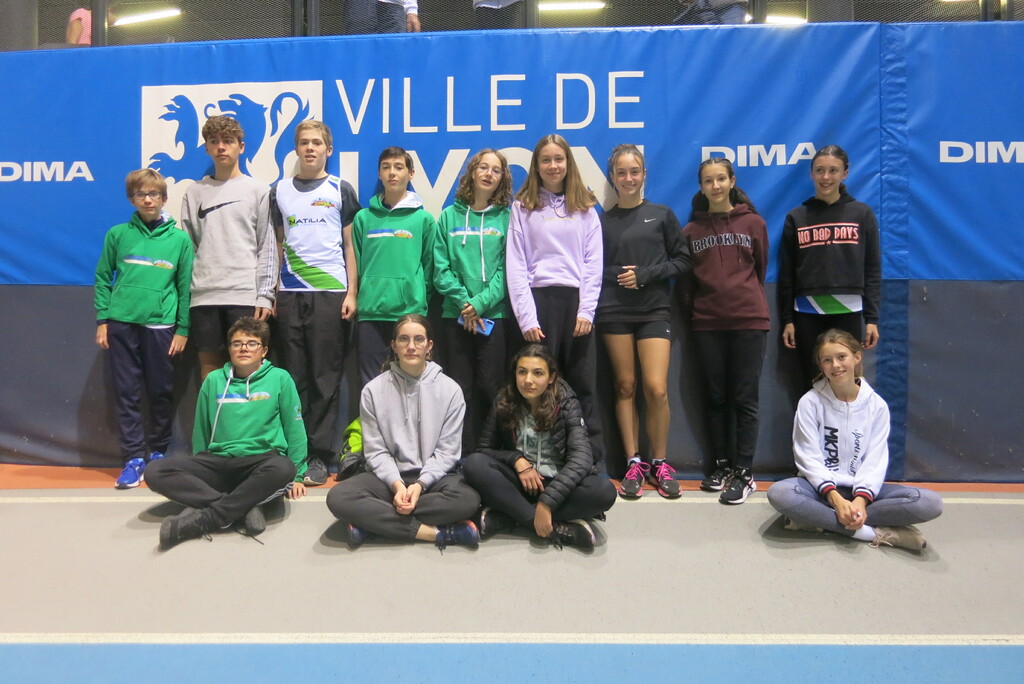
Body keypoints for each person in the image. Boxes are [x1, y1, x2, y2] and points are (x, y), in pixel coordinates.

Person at [767, 329, 943, 550]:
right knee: (781, 493)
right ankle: (872, 533)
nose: (836, 365)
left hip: (861, 491)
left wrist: (860, 500)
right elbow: (807, 456)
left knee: (929, 503)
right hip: (818, 491)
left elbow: (875, 460)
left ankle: (816, 519)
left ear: (857, 357)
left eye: (842, 357)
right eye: (827, 360)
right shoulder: (810, 402)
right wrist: (835, 499)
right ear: (821, 365)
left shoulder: (876, 406)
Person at [147, 317, 309, 549]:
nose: (243, 348)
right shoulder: (213, 380)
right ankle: (242, 507)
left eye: (252, 343)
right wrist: (201, 463)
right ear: (230, 349)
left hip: (260, 463)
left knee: (284, 469)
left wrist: (299, 475)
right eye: (237, 343)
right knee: (155, 471)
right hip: (217, 462)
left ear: (264, 351)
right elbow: (201, 429)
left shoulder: (280, 378)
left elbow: (294, 427)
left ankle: (205, 520)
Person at [326, 315, 481, 549]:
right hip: (387, 479)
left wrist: (419, 486)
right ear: (394, 345)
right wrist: (397, 486)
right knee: (339, 498)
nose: (411, 346)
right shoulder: (373, 391)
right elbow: (376, 451)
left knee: (468, 500)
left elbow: (447, 452)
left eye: (419, 339)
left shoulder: (451, 391)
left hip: (433, 480)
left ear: (429, 346)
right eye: (403, 339)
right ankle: (436, 533)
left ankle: (372, 523)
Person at [597, 144, 691, 500]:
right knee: (625, 386)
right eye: (621, 172)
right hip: (614, 311)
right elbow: (591, 266)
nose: (628, 178)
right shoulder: (602, 221)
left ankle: (660, 463)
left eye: (634, 171)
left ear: (644, 174)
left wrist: (646, 275)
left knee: (656, 388)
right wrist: (619, 275)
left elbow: (683, 261)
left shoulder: (661, 215)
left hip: (654, 311)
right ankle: (633, 463)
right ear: (613, 177)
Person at [271, 121, 361, 488]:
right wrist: (272, 292)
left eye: (317, 143)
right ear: (296, 149)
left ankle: (319, 456)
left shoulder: (340, 189)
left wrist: (352, 292)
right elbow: (278, 246)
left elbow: (350, 246)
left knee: (325, 378)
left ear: (328, 150)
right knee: (294, 377)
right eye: (304, 143)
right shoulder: (279, 191)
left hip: (330, 293)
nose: (310, 148)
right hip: (290, 294)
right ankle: (295, 453)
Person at [506, 134, 604, 466]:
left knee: (582, 384)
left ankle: (586, 460)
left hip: (576, 305)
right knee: (535, 385)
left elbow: (593, 262)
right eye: (545, 160)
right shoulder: (522, 206)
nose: (552, 166)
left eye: (558, 159)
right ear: (536, 166)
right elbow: (516, 264)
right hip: (537, 304)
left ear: (568, 163)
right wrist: (527, 318)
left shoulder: (585, 207)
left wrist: (586, 310)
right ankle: (536, 460)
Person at [94, 168, 194, 489]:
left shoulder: (179, 240)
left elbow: (185, 287)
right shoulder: (117, 234)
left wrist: (183, 329)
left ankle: (158, 453)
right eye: (141, 194)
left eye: (153, 194)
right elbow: (102, 278)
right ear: (131, 199)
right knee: (127, 392)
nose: (148, 199)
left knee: (161, 391)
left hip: (161, 326)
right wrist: (103, 320)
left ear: (164, 198)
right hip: (122, 325)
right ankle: (134, 459)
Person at [462, 344, 616, 549]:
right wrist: (517, 460)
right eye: (522, 372)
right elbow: (484, 450)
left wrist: (547, 502)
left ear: (551, 377)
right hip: (520, 482)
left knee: (604, 491)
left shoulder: (567, 403)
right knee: (474, 464)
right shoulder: (504, 399)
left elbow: (582, 459)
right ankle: (550, 527)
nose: (528, 380)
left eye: (538, 373)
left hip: (557, 485)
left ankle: (510, 517)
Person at [682, 158, 769, 505]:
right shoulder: (691, 231)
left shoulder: (753, 223)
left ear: (732, 181)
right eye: (708, 181)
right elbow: (688, 283)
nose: (715, 186)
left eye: (721, 179)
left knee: (745, 400)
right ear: (701, 187)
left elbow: (760, 269)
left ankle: (744, 472)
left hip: (749, 321)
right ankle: (720, 467)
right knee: (715, 399)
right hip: (707, 323)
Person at [180, 115, 276, 381]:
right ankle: (214, 412)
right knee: (209, 370)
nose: (221, 147)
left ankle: (247, 412)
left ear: (240, 147)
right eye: (214, 141)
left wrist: (265, 295)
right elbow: (189, 247)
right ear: (207, 148)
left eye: (228, 141)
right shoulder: (194, 192)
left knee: (248, 370)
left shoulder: (259, 190)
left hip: (244, 295)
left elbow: (267, 246)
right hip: (204, 297)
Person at [779, 144, 882, 387]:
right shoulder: (796, 217)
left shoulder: (862, 214)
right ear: (811, 174)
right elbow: (787, 273)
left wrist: (872, 318)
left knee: (847, 380)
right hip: (807, 311)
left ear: (845, 173)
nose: (826, 177)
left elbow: (872, 268)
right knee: (811, 381)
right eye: (820, 170)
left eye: (833, 170)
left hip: (849, 309)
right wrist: (787, 319)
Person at [433, 149, 513, 454]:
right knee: (458, 388)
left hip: (494, 315)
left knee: (491, 387)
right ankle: (460, 455)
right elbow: (440, 270)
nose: (489, 174)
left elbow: (508, 270)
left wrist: (479, 304)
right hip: (455, 316)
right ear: (472, 172)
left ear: (502, 178)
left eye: (496, 170)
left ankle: (494, 453)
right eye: (483, 167)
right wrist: (465, 304)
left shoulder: (507, 218)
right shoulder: (448, 216)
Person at [351, 146, 437, 386]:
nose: (392, 173)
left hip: (409, 312)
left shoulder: (423, 220)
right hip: (370, 311)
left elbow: (429, 267)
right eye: (386, 167)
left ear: (411, 174)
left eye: (399, 167)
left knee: (411, 380)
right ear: (379, 173)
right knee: (371, 382)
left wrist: (415, 295)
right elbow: (356, 263)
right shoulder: (363, 218)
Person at [345, 0, 421, 33]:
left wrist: (411, 10)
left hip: (394, 6)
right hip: (360, 6)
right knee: (361, 50)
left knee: (394, 51)